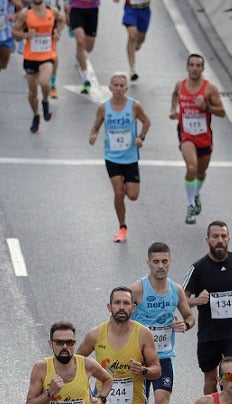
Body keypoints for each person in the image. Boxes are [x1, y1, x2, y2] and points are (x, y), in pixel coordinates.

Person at [129, 243, 196, 404]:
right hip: (137, 359)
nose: (160, 266)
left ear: (170, 262)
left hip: (164, 357)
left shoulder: (176, 290)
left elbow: (190, 316)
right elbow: (119, 319)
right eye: (156, 261)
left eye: (164, 261)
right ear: (148, 263)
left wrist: (185, 325)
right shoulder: (137, 290)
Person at [184, 221, 232, 394]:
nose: (219, 240)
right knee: (210, 380)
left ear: (228, 239)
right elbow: (181, 299)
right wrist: (196, 301)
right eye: (215, 236)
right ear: (207, 240)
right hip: (209, 334)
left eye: (223, 236)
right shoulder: (198, 268)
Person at [89, 74, 151, 243]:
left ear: (126, 88)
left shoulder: (134, 106)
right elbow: (95, 127)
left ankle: (125, 185)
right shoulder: (103, 108)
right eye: (115, 85)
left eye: (121, 85)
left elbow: (146, 122)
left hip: (130, 157)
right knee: (118, 192)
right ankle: (122, 227)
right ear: (110, 88)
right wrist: (93, 135)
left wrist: (141, 137)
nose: (118, 88)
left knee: (132, 195)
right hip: (112, 157)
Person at [170, 54, 225, 225]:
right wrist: (173, 109)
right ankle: (190, 205)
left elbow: (222, 112)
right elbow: (174, 94)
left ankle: (196, 193)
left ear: (202, 69)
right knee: (191, 167)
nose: (194, 68)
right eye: (191, 65)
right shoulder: (180, 85)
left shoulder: (210, 89)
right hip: (186, 134)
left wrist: (206, 107)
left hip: (204, 136)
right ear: (187, 67)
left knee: (201, 172)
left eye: (198, 65)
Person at [14, 0, 63, 132]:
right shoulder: (25, 14)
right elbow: (14, 32)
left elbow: (61, 19)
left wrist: (58, 32)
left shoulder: (52, 12)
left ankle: (45, 101)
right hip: (31, 57)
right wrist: (25, 35)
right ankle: (36, 115)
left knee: (44, 82)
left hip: (47, 55)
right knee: (32, 92)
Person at [66, 0, 100, 92]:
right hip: (76, 8)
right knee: (80, 41)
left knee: (89, 48)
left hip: (92, 9)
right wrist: (66, 9)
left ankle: (79, 54)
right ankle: (86, 78)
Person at [115, 0, 150, 81]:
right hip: (131, 9)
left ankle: (138, 43)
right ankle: (132, 69)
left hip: (145, 9)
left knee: (141, 37)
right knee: (132, 36)